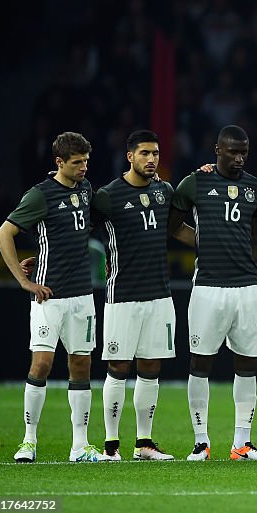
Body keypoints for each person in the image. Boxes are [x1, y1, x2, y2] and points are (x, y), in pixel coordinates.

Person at [168, 125, 257, 461]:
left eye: (244, 151)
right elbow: (172, 225)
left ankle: (241, 443)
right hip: (208, 288)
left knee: (247, 364)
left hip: (246, 288)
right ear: (217, 150)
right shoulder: (195, 183)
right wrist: (201, 242)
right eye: (232, 151)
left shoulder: (255, 188)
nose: (239, 157)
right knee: (200, 363)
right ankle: (201, 441)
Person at [0, 131, 101, 462]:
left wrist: (42, 252)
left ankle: (80, 446)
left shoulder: (85, 190)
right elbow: (4, 234)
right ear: (59, 163)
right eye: (76, 162)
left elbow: (73, 233)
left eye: (86, 161)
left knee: (81, 364)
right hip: (48, 296)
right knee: (41, 364)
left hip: (83, 295)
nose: (83, 167)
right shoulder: (40, 195)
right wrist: (23, 281)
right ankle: (28, 441)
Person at [93, 130, 177, 461]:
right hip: (123, 295)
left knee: (151, 366)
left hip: (159, 294)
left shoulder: (164, 191)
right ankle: (111, 446)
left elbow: (179, 225)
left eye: (155, 153)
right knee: (118, 366)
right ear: (130, 156)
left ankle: (144, 443)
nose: (152, 159)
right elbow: (78, 229)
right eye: (144, 153)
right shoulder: (108, 195)